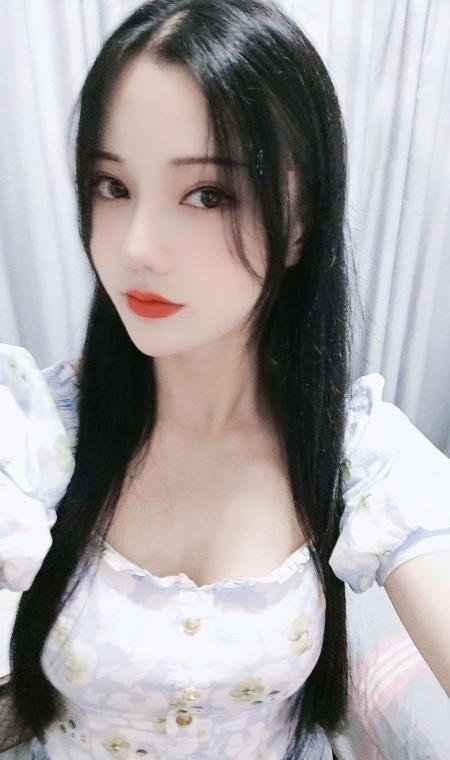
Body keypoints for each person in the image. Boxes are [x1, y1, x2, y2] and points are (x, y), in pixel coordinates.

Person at [1, 1, 449, 758]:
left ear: (300, 223)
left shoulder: (359, 451)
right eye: (112, 186)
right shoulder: (38, 427)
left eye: (207, 195)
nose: (136, 248)